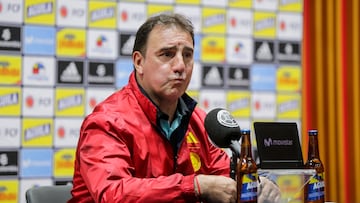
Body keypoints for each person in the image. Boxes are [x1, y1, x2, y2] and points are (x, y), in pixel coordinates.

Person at [68, 13, 280, 203]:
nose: (180, 66)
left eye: (187, 55)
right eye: (167, 54)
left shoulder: (198, 119)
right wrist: (195, 187)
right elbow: (112, 194)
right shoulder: (107, 121)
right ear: (138, 62)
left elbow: (224, 173)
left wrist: (259, 185)